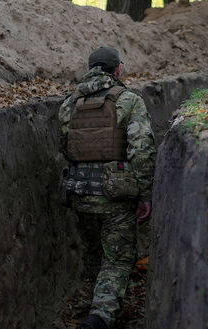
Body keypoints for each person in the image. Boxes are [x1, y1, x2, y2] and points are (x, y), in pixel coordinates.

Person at [58, 46, 156, 329]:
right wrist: (145, 194)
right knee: (117, 260)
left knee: (93, 252)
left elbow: (65, 147)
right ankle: (100, 317)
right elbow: (142, 150)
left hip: (79, 192)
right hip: (115, 197)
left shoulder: (69, 104)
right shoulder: (129, 101)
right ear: (117, 70)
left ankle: (95, 302)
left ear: (90, 68)